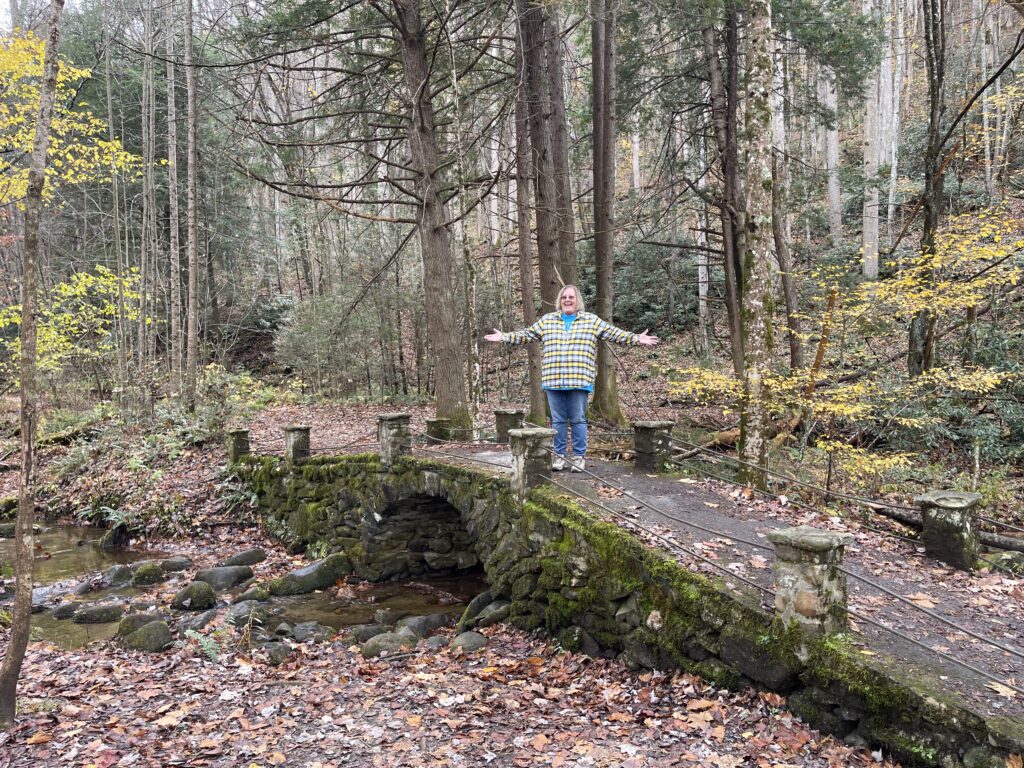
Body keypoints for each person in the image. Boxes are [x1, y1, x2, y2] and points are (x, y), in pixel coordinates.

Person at [484, 284, 659, 472]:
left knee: (577, 419)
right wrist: (504, 337)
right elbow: (526, 335)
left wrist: (636, 339)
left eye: (571, 297)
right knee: (558, 420)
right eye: (564, 297)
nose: (567, 300)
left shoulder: (591, 321)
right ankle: (559, 457)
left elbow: (614, 333)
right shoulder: (548, 321)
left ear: (577, 301)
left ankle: (578, 457)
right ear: (560, 301)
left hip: (579, 379)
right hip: (554, 380)